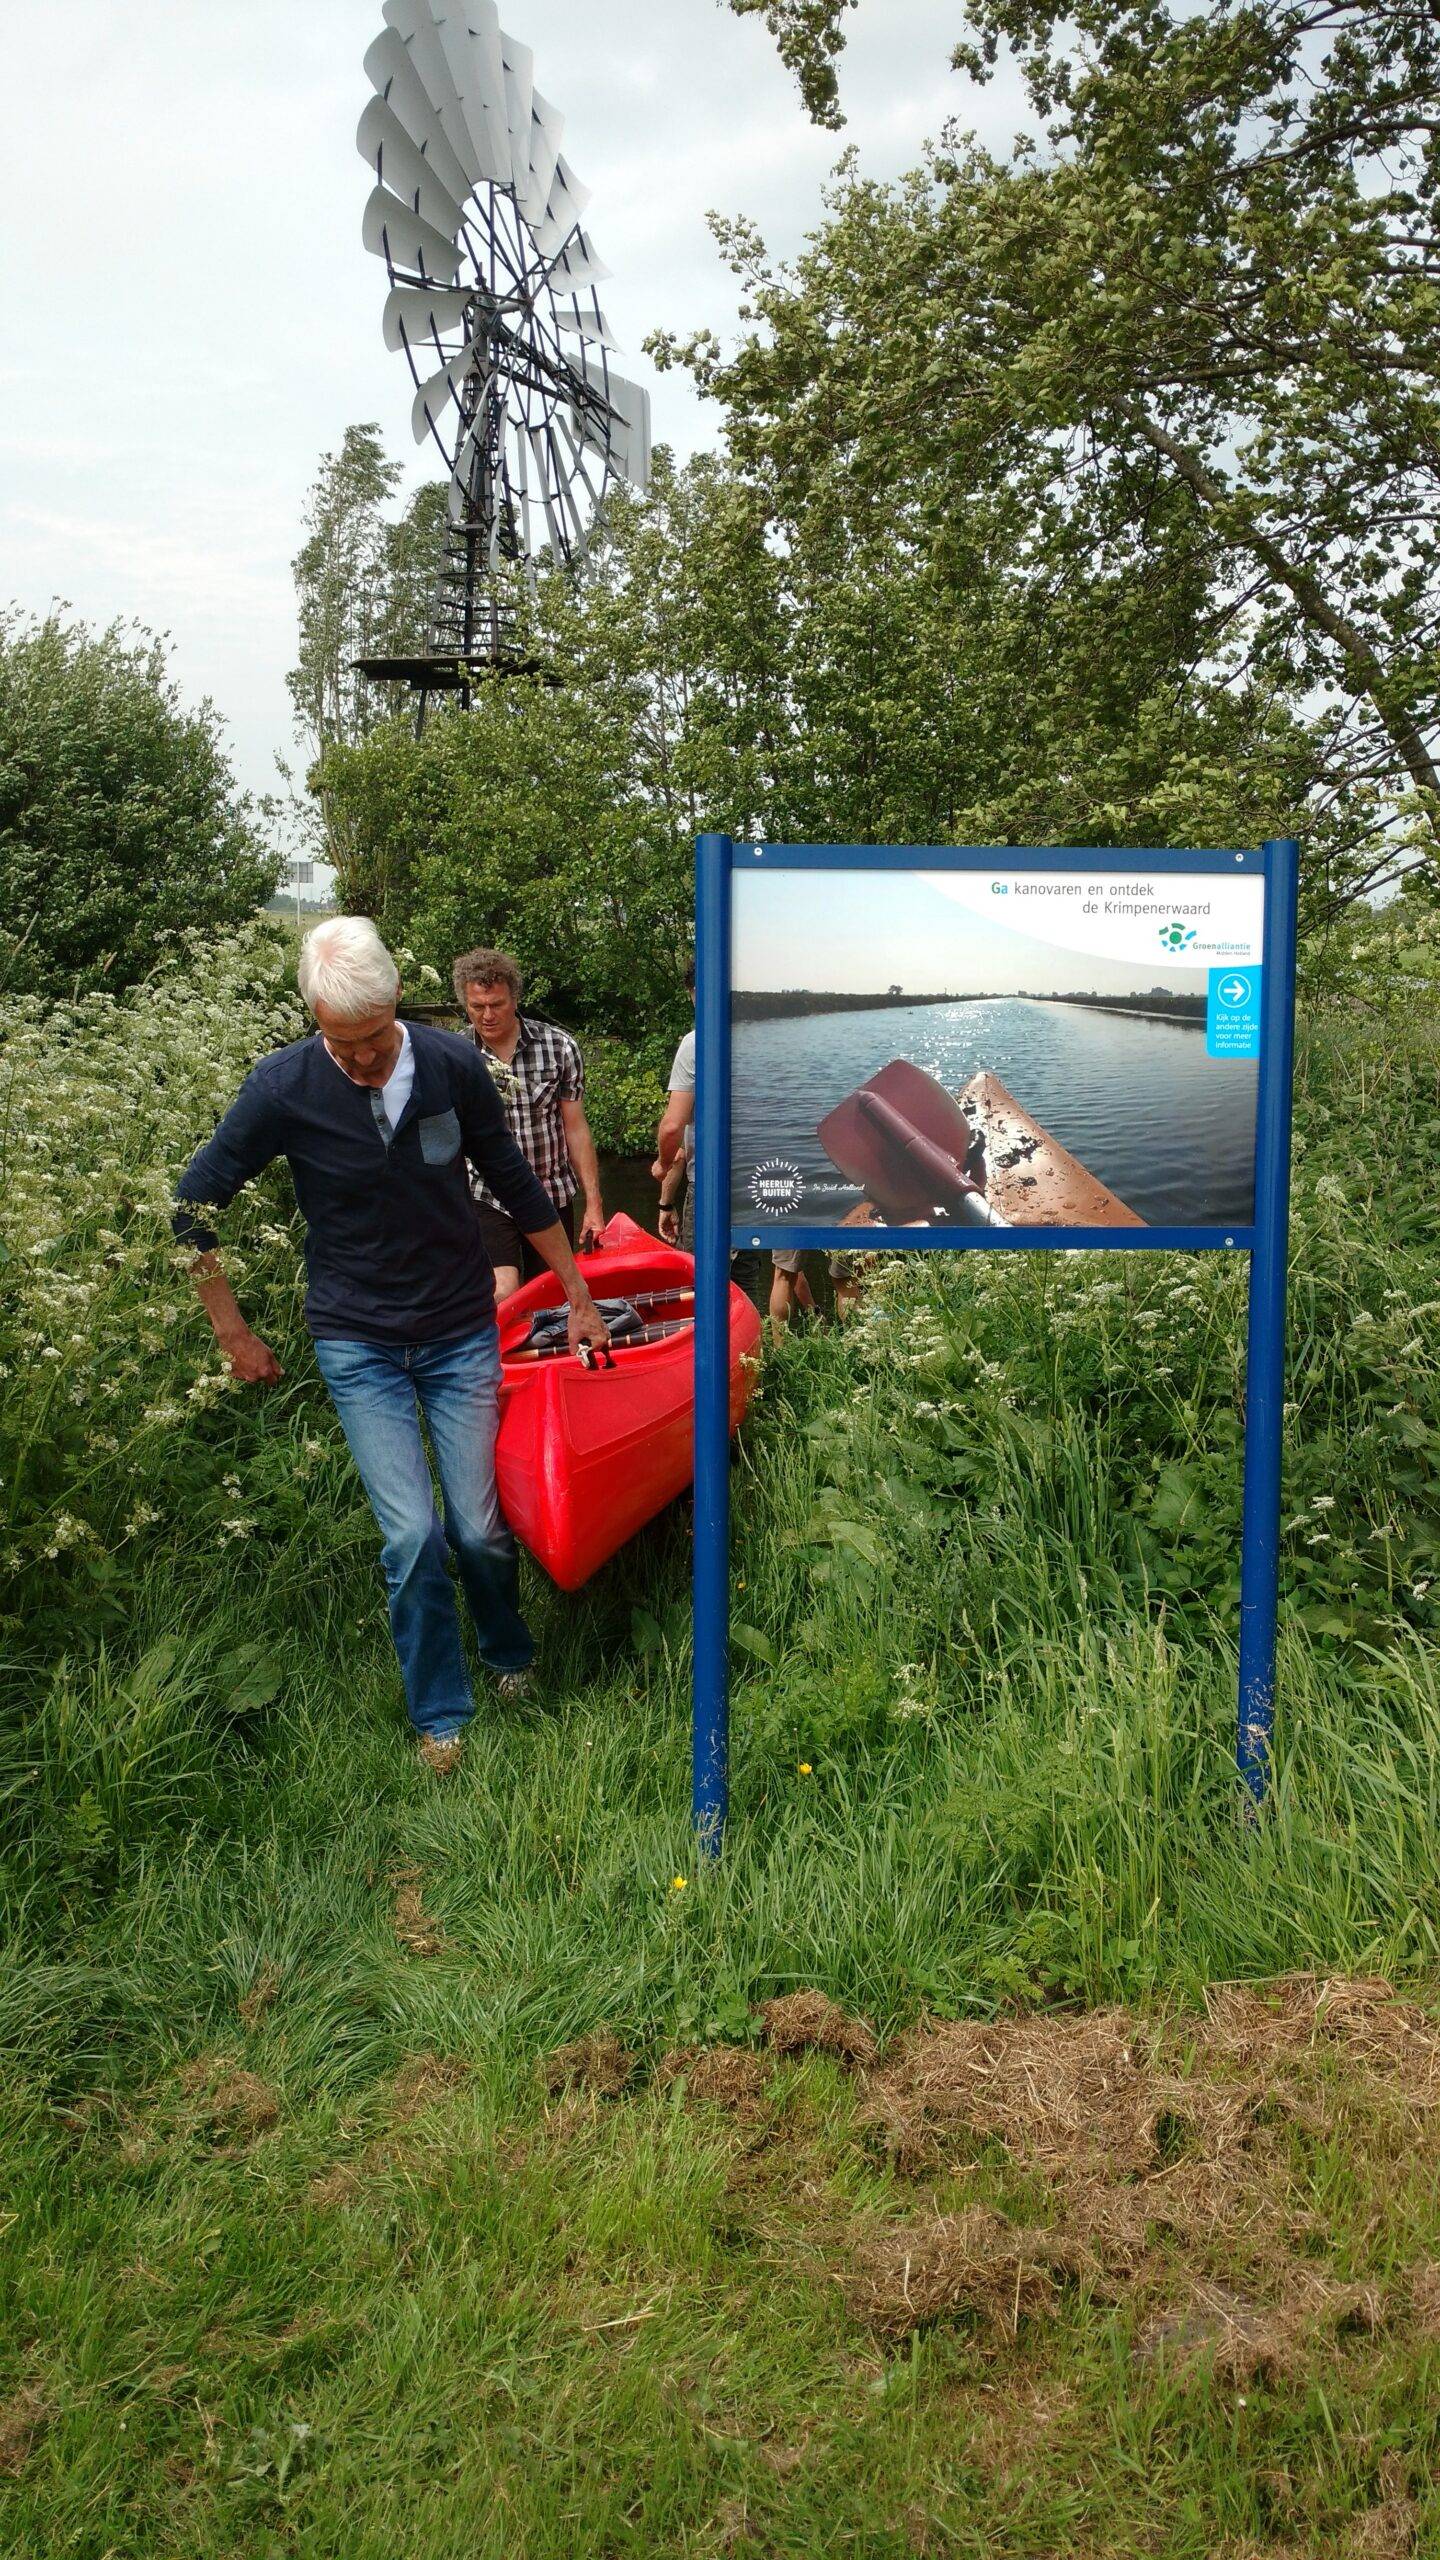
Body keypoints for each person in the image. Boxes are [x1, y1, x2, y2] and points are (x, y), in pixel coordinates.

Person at [173, 917, 610, 1777]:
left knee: (479, 1529)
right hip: (357, 1338)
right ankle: (440, 1715)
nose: (366, 1059)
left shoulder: (452, 1066)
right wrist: (231, 1327)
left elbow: (516, 1183)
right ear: (314, 1019)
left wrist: (578, 1294)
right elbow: (193, 1207)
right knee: (412, 1536)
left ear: (399, 1002)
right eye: (345, 1044)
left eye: (375, 1038)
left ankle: (509, 1658)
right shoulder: (282, 1087)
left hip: (457, 1328)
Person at [454, 946, 605, 1298]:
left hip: (549, 1191)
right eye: (477, 1007)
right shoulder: (455, 1055)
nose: (487, 1015)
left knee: (551, 1295)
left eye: (497, 1004)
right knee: (503, 1288)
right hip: (486, 1193)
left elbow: (575, 1128)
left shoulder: (559, 1047)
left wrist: (594, 1204)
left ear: (515, 999)